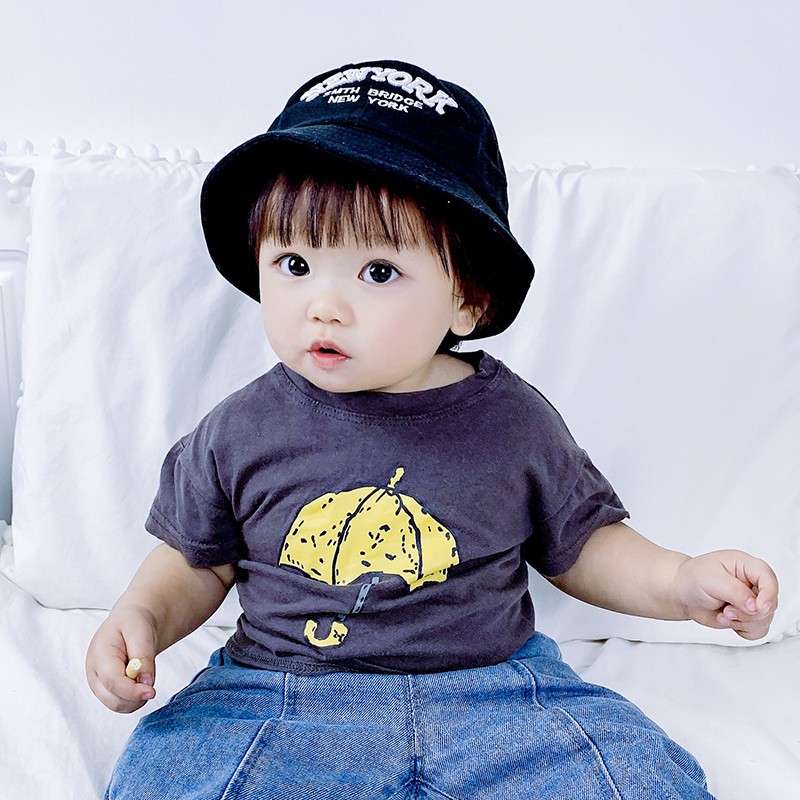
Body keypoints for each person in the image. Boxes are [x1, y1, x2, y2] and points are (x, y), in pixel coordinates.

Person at [86, 59, 778, 800]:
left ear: (467, 300)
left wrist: (680, 581)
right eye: (294, 263)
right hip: (283, 693)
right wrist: (143, 614)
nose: (324, 306)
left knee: (629, 777)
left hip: (499, 694)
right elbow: (198, 561)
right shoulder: (240, 429)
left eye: (378, 273)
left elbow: (584, 545)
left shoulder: (514, 422)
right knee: (182, 778)